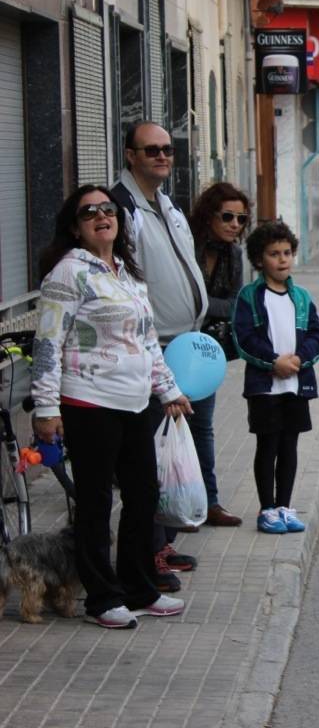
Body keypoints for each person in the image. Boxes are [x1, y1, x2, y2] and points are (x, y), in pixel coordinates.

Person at [30, 185, 190, 629]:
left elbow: (148, 341)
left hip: (137, 401)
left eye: (108, 209)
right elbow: (47, 343)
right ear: (75, 227)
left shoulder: (127, 273)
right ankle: (102, 598)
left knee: (143, 497)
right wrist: (46, 409)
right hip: (89, 401)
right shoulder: (68, 273)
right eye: (89, 212)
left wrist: (169, 390)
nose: (101, 216)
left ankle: (140, 588)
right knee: (96, 503)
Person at [110, 120, 209, 592]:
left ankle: (162, 542)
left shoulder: (166, 205)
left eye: (167, 149)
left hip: (183, 345)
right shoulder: (122, 206)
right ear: (130, 155)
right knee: (148, 460)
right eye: (151, 150)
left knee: (171, 452)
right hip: (153, 350)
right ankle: (148, 552)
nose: (162, 157)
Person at [232, 221, 319, 535]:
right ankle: (267, 509)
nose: (282, 259)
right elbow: (243, 338)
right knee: (267, 445)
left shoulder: (301, 297)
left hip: (296, 385)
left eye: (287, 252)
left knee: (290, 445)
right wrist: (273, 362)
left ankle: (285, 506)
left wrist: (299, 359)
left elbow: (317, 336)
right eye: (274, 254)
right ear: (260, 260)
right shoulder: (250, 297)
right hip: (265, 387)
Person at [188, 183, 250, 527]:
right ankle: (175, 503)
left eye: (241, 218)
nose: (234, 225)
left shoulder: (234, 254)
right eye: (227, 216)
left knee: (203, 426)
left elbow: (235, 303)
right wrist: (210, 306)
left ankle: (209, 503)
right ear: (209, 214)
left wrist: (200, 305)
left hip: (205, 349)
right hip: (170, 343)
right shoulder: (187, 245)